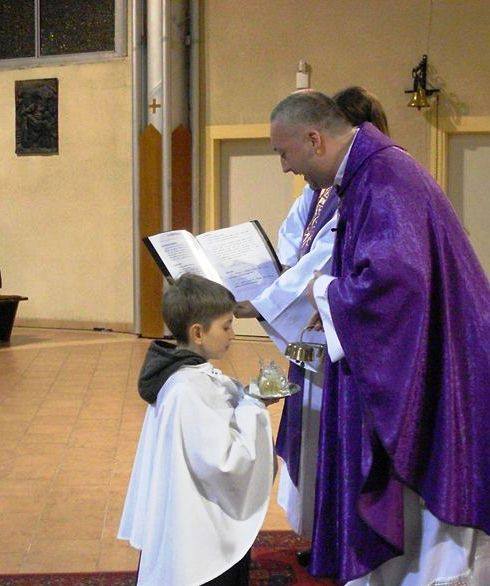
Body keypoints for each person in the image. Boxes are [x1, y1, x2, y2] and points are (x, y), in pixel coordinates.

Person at [260, 90, 489, 585]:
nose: (285, 167)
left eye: (284, 152)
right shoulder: (369, 174)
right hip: (426, 346)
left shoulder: (384, 179)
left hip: (438, 360)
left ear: (315, 140)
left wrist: (323, 291)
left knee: (428, 514)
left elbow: (395, 286)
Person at [234, 87, 391, 546]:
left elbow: (323, 262)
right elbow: (293, 245)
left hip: (338, 340)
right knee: (310, 438)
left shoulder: (363, 190)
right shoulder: (319, 192)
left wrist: (266, 301)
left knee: (334, 442)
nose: (287, 165)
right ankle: (320, 531)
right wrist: (273, 277)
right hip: (312, 335)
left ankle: (338, 533)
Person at [118, 273, 275, 585]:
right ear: (198, 333)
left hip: (185, 512)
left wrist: (242, 398)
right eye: (226, 326)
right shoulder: (189, 389)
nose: (233, 334)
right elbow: (224, 463)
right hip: (199, 531)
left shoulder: (180, 374)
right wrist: (253, 407)